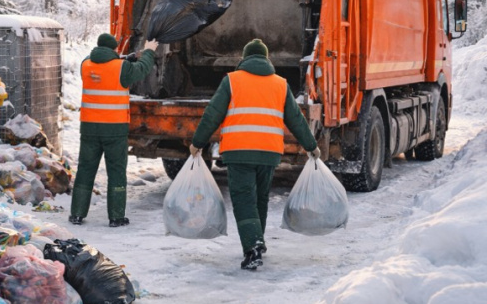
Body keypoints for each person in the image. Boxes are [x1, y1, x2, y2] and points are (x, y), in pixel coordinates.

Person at [189, 39, 320, 270]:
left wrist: (198, 142)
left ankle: (253, 247)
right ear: (266, 59)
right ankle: (258, 240)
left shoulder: (232, 81)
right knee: (259, 198)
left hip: (239, 151)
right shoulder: (280, 84)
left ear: (245, 58)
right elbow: (296, 120)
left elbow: (212, 114)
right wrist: (311, 145)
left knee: (243, 200)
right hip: (269, 152)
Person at [69, 34, 158, 227]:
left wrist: (131, 57)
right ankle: (116, 217)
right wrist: (149, 51)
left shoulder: (86, 65)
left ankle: (77, 214)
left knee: (85, 169)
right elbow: (142, 69)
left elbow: (109, 65)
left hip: (89, 128)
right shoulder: (122, 69)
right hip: (114, 129)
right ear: (114, 50)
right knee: (116, 171)